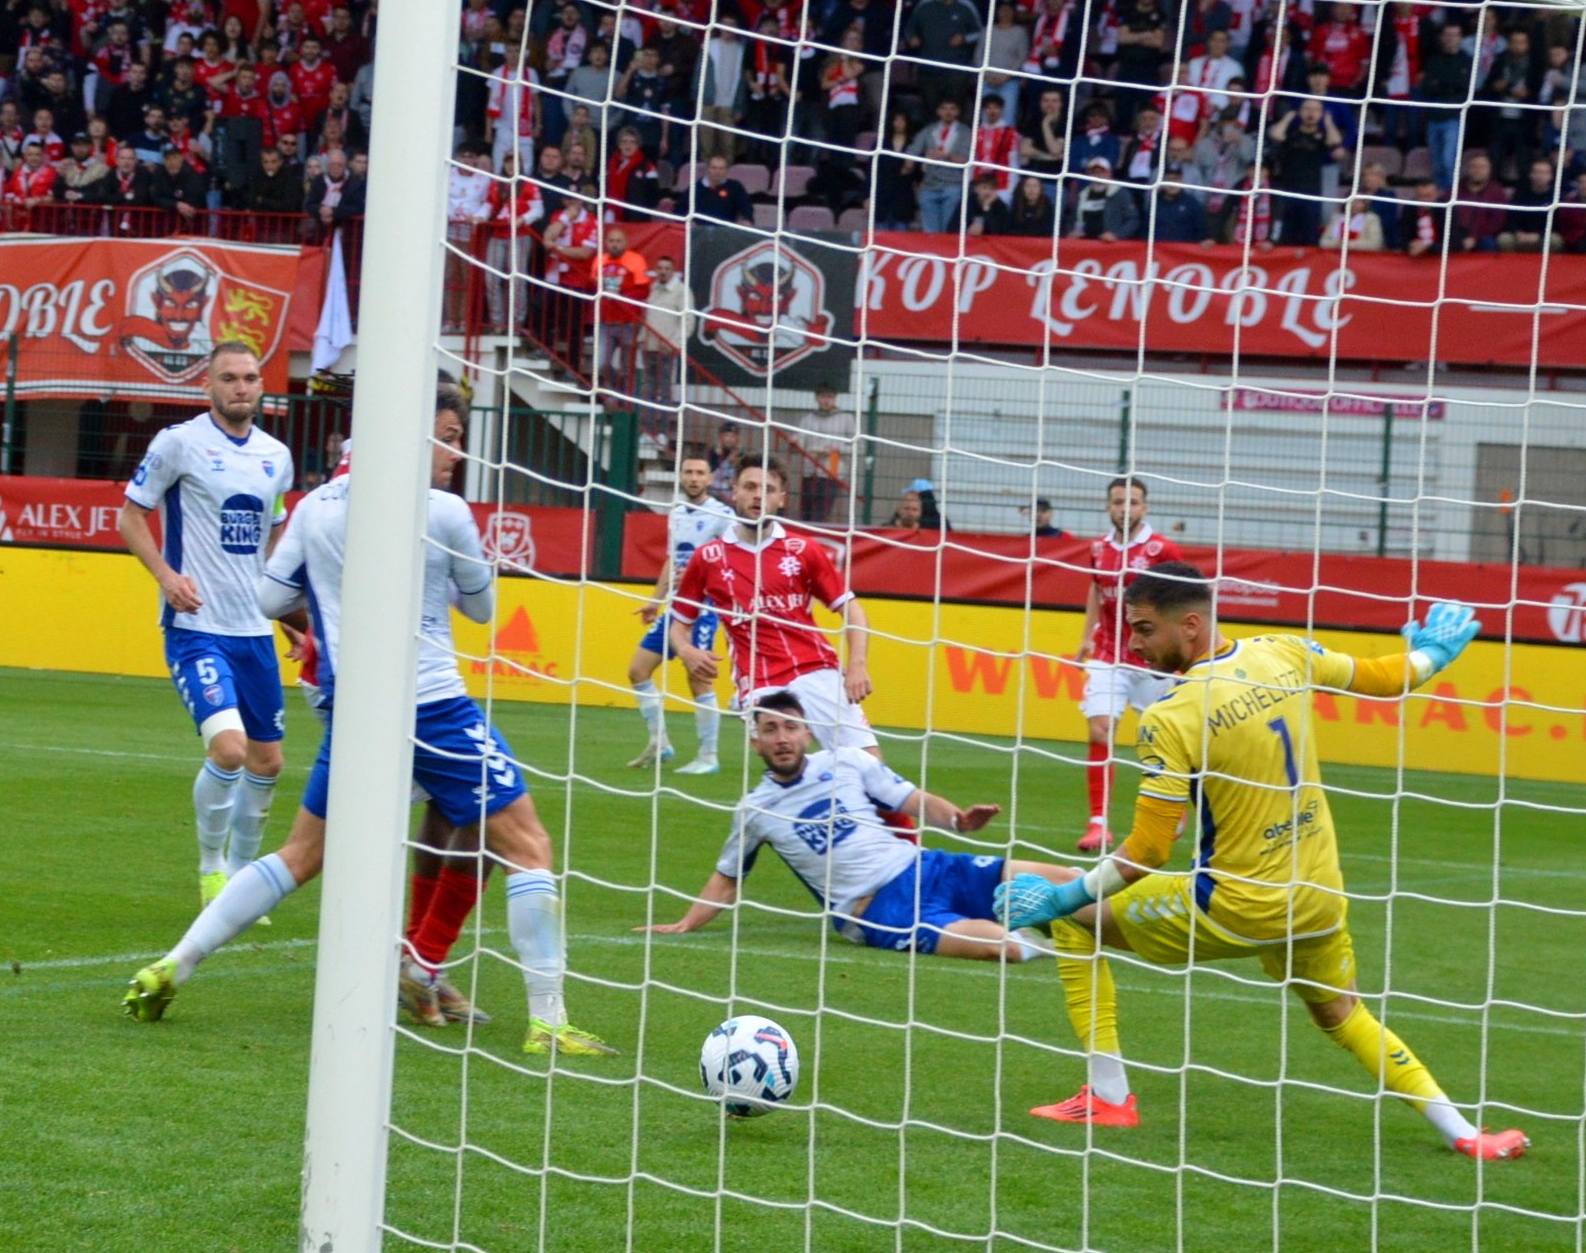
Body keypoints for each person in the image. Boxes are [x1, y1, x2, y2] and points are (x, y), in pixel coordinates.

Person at [126, 387, 616, 1057]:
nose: (456, 453)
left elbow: (271, 597)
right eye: (448, 438)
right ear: (414, 434)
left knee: (302, 855)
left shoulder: (316, 506)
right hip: (432, 704)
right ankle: (548, 1022)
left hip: (355, 709)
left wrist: (338, 595)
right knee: (528, 846)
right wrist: (452, 574)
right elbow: (480, 610)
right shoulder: (444, 510)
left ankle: (174, 964)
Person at [998, 564, 1529, 1160]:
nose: (1134, 645)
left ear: (1190, 625)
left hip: (1236, 905)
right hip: (1317, 898)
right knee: (1342, 1012)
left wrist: (1062, 897)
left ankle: (1108, 1098)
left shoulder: (1172, 715)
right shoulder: (1283, 652)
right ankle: (1466, 1135)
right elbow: (1384, 678)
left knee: (1074, 919)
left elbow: (1147, 851)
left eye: (1144, 629)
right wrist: (1433, 653)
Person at [641, 691, 1075, 959]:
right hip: (883, 912)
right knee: (1006, 948)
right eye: (770, 730)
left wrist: (959, 821)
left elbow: (916, 800)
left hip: (930, 867)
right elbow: (727, 878)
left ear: (808, 733)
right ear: (755, 741)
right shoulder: (756, 810)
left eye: (791, 727)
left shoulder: (848, 761)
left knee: (1070, 881)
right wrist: (686, 923)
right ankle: (1050, 938)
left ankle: (1098, 916)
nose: (782, 738)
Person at [118, 340, 296, 906]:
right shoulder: (179, 443)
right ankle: (211, 868)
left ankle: (243, 880)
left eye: (249, 378)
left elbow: (274, 533)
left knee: (268, 761)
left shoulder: (276, 456)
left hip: (253, 631)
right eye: (228, 378)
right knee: (230, 750)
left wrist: (285, 612)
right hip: (197, 629)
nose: (240, 387)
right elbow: (130, 517)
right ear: (208, 386)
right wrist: (167, 576)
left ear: (261, 386)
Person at [671, 454, 877, 757]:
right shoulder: (708, 558)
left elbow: (852, 610)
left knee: (869, 767)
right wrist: (686, 651)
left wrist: (857, 665)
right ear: (734, 492)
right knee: (786, 760)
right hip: (760, 682)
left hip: (818, 669)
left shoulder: (803, 550)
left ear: (781, 499)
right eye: (749, 487)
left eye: (767, 489)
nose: (758, 495)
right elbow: (679, 625)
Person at [1075, 475, 1183, 853]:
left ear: (1145, 508)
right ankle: (1098, 823)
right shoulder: (1098, 548)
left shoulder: (1161, 550)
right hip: (1109, 654)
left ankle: (1173, 807)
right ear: (1108, 506)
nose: (1125, 509)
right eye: (1118, 502)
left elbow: (1186, 597)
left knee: (1163, 738)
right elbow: (1096, 589)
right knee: (1100, 729)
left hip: (1154, 658)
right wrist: (1087, 636)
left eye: (1132, 502)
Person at [623, 453, 734, 773]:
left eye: (700, 473)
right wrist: (655, 601)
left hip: (704, 606)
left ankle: (709, 756)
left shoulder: (723, 515)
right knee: (638, 671)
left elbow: (734, 560)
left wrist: (701, 576)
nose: (694, 478)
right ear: (681, 476)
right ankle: (660, 743)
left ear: (710, 478)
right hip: (675, 606)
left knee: (697, 676)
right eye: (688, 472)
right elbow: (672, 560)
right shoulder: (677, 512)